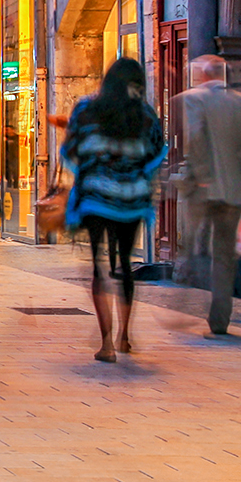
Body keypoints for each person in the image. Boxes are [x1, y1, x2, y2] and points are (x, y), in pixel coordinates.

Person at [60, 57, 166, 360]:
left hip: (94, 198)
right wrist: (134, 171)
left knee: (99, 268)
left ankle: (105, 344)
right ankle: (124, 336)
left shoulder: (86, 108)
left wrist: (91, 169)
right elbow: (157, 151)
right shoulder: (144, 113)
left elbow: (70, 150)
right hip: (132, 199)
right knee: (125, 266)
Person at [172, 54, 241, 336]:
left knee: (190, 244)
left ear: (202, 75)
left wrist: (203, 177)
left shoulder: (193, 99)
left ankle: (183, 299)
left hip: (202, 190)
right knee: (224, 255)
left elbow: (196, 138)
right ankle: (219, 318)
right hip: (233, 192)